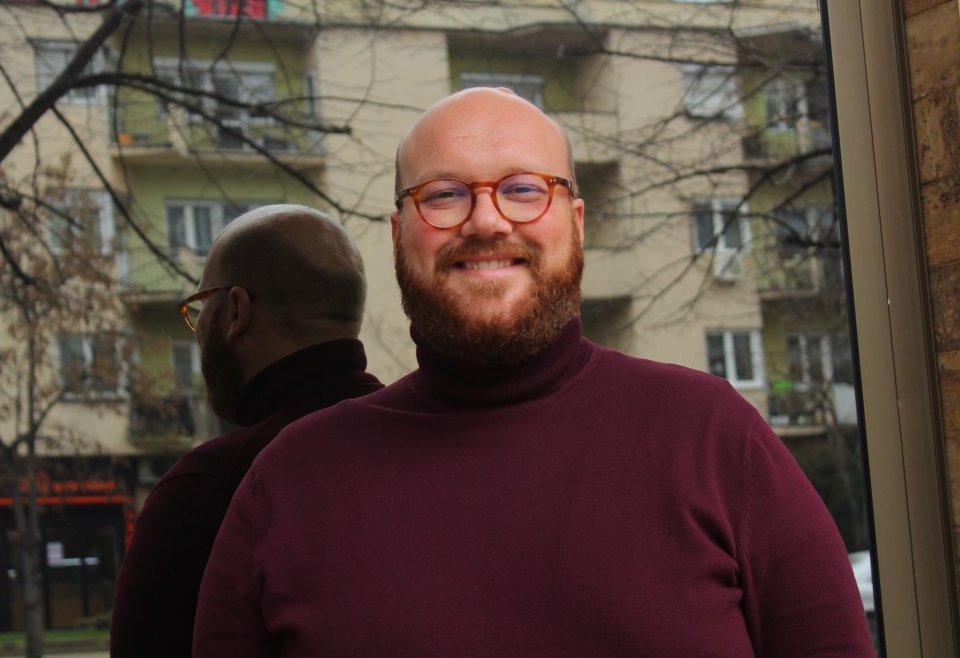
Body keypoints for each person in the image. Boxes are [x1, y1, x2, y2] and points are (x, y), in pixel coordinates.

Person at [193, 89, 876, 657]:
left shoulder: (714, 439)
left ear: (576, 224)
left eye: (524, 189)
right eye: (444, 194)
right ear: (399, 233)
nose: (487, 220)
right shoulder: (290, 484)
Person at [109, 205, 383, 657]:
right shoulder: (424, 454)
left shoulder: (209, 489)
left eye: (201, 307)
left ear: (237, 310)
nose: (198, 330)